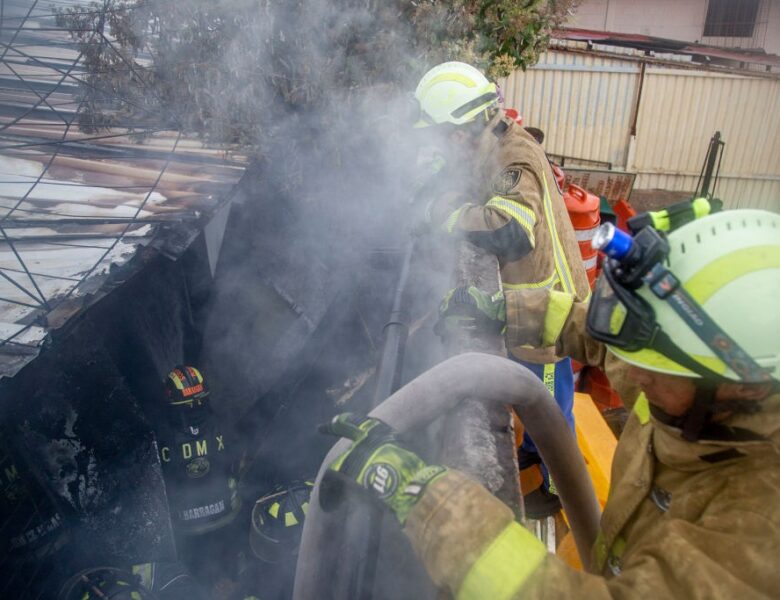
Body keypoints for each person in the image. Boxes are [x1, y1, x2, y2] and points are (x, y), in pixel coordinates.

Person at [320, 208, 780, 597]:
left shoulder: (758, 529)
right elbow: (604, 342)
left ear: (746, 388)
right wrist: (506, 312)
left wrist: (428, 501)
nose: (636, 377)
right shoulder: (689, 388)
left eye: (655, 368)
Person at [414, 61, 590, 516]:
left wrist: (446, 215)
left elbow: (509, 229)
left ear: (458, 132)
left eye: (439, 136)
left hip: (549, 314)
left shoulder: (513, 157)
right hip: (526, 303)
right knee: (530, 396)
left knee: (549, 407)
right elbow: (477, 182)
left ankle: (557, 489)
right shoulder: (488, 144)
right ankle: (534, 449)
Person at [157, 365, 241, 536]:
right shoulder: (221, 425)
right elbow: (235, 459)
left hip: (184, 523)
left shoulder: (162, 435)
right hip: (225, 513)